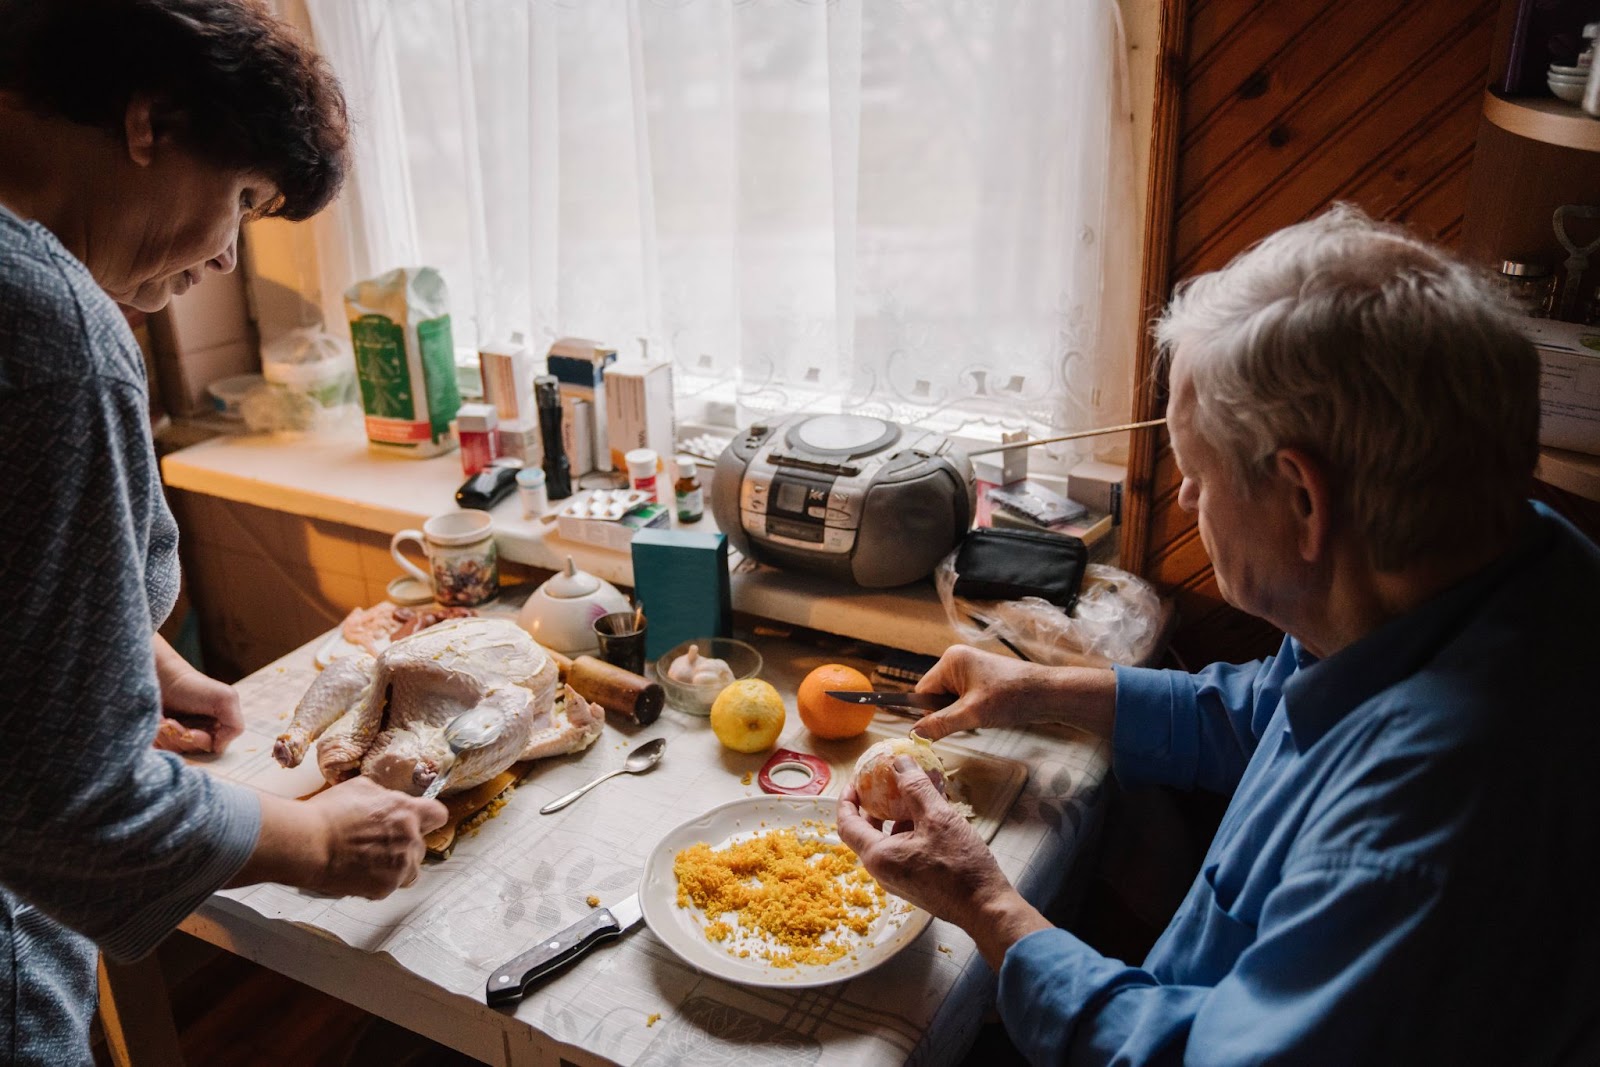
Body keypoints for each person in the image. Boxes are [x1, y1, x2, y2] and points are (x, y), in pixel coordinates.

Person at [839, 206, 1600, 1065]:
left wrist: (985, 901)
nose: (1186, 504)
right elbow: (1269, 713)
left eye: (1197, 475)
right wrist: (1033, 686)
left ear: (1303, 501)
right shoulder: (1473, 558)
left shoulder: (1424, 838)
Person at [0, 3, 447, 1063]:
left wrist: (119, 651)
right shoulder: (52, 330)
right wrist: (322, 839)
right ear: (150, 121)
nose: (224, 255)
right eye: (241, 198)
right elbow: (70, 807)